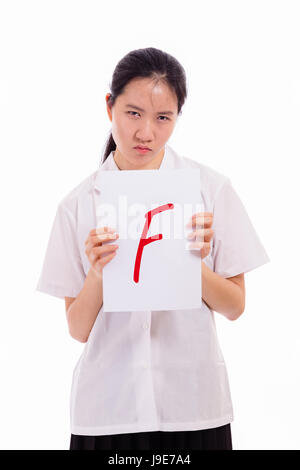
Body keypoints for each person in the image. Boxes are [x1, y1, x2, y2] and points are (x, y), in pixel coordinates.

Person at [36, 47, 270, 451]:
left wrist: (188, 262)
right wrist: (98, 272)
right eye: (133, 113)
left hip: (194, 406)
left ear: (179, 116)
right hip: (108, 411)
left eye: (164, 118)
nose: (146, 132)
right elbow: (77, 330)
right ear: (109, 106)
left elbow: (235, 307)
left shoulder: (210, 189)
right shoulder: (77, 205)